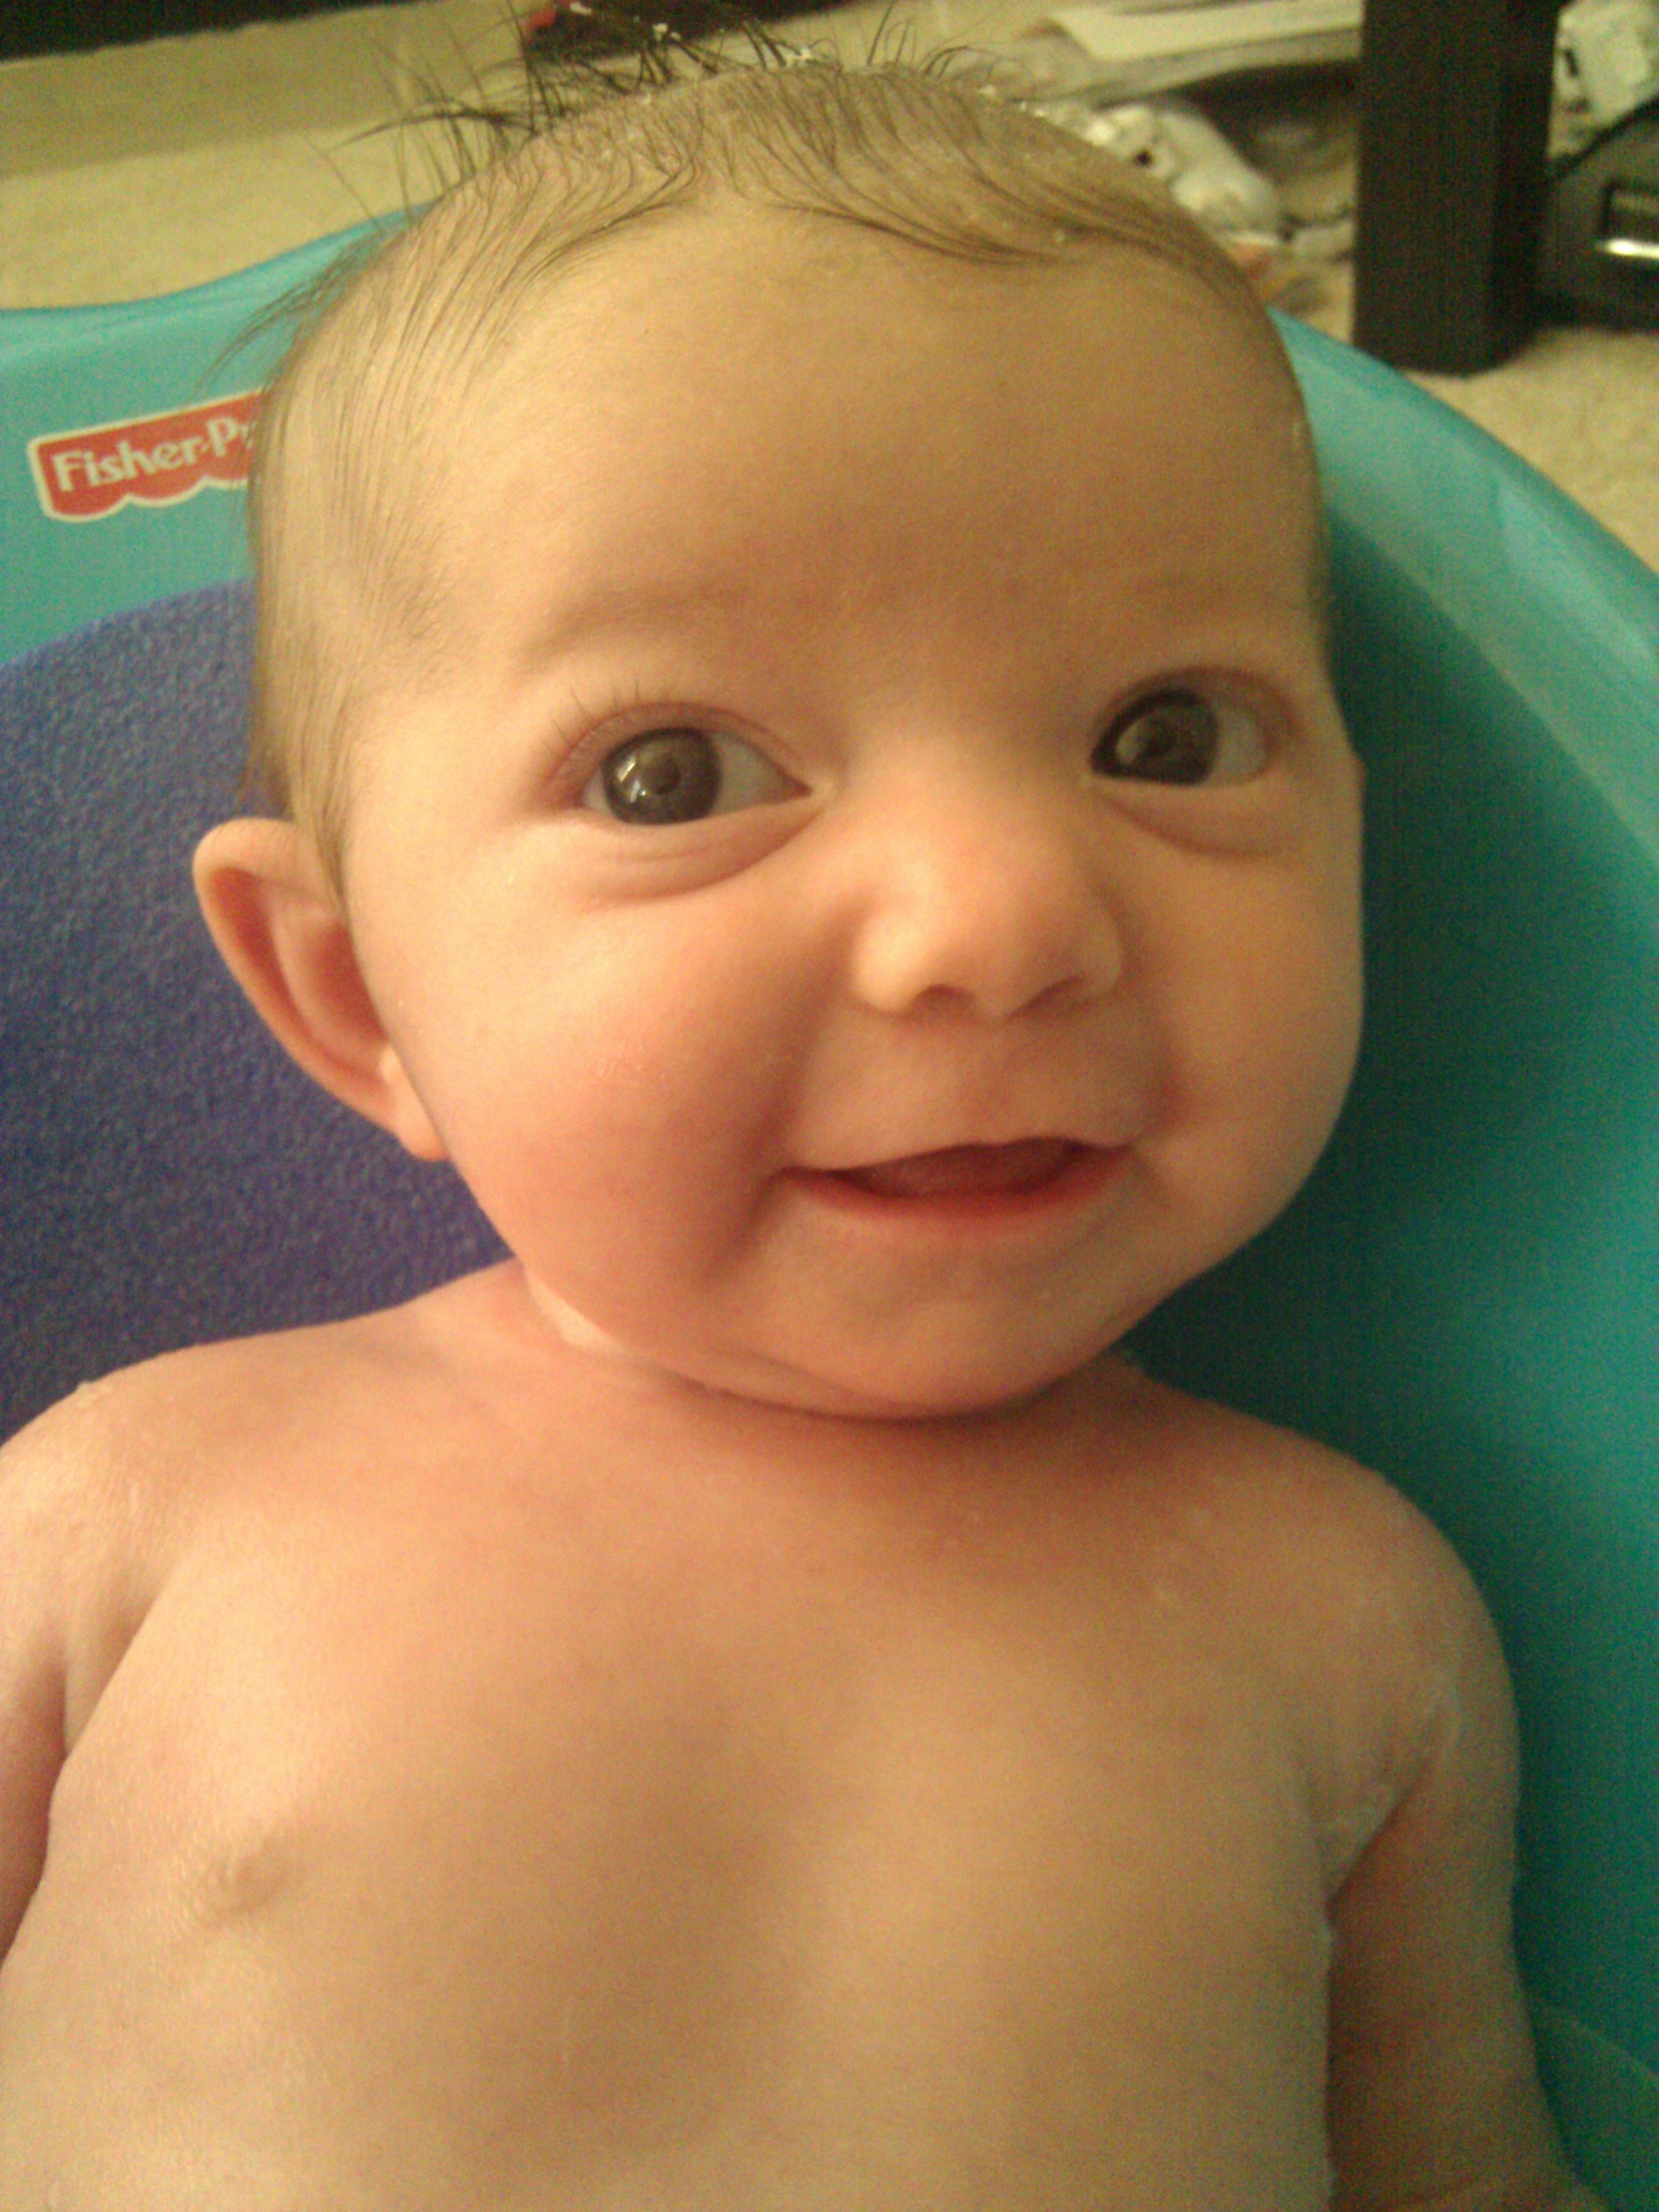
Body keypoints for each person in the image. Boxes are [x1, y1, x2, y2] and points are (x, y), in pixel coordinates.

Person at [0, 25, 1608, 2208]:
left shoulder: (1351, 1622)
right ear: (356, 993)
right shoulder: (127, 1514)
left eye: (1165, 736)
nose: (995, 921)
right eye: (672, 775)